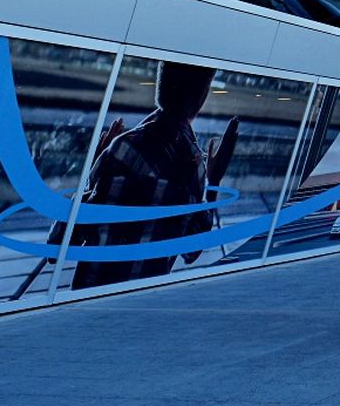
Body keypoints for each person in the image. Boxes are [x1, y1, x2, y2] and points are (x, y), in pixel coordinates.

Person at [68, 62, 238, 290]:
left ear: (160, 85)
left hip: (89, 293)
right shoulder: (192, 166)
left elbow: (67, 235)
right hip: (141, 299)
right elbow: (191, 251)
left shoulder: (122, 147)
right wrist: (213, 181)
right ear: (202, 96)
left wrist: (96, 168)